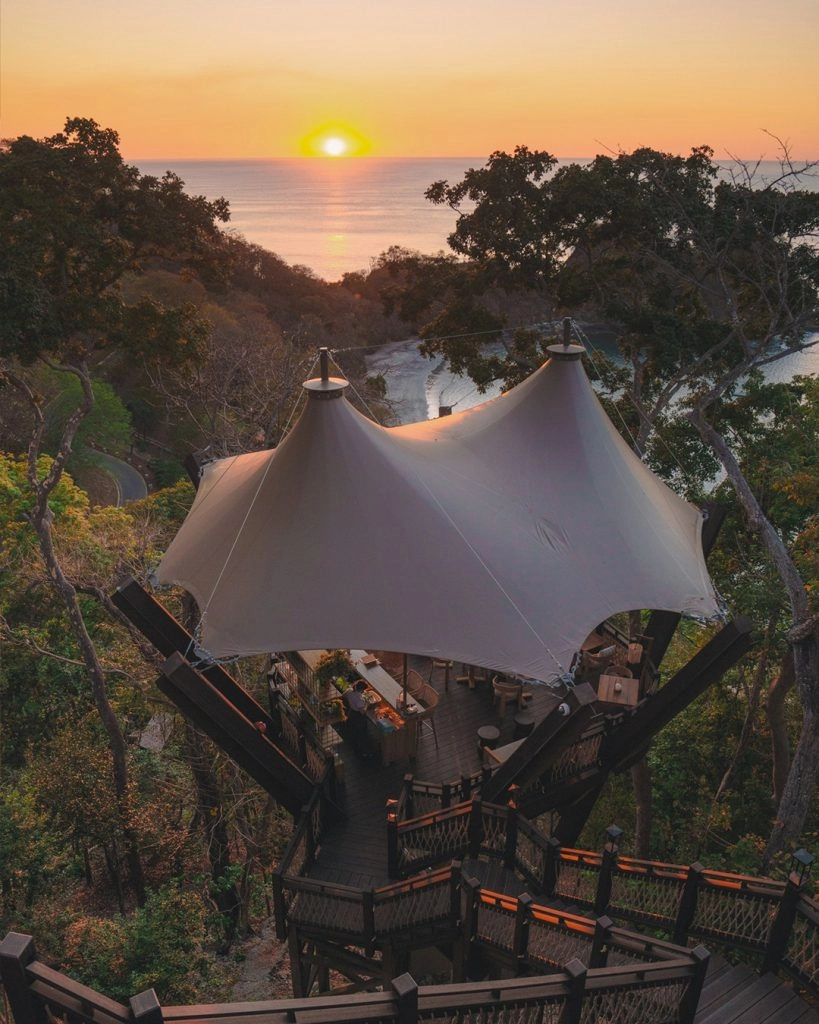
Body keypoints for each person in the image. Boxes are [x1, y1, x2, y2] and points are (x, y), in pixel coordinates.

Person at [345, 680, 371, 758]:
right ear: (362, 689)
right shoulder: (359, 699)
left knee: (353, 732)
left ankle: (355, 747)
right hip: (358, 717)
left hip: (351, 713)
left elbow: (344, 694)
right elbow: (362, 712)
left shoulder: (349, 690)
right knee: (361, 735)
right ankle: (364, 752)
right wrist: (367, 704)